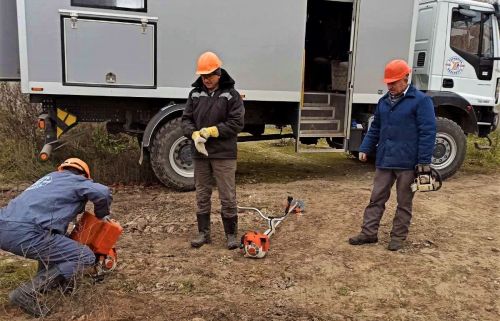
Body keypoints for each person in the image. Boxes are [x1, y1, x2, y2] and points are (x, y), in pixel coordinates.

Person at [0, 158, 112, 317]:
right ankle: (26, 292)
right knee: (85, 257)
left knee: (55, 245)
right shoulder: (76, 180)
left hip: (4, 225)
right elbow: (103, 192)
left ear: (62, 169)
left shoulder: (47, 180)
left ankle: (49, 286)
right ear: (85, 175)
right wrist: (101, 215)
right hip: (27, 231)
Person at [348, 60, 436, 251]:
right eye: (388, 82)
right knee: (376, 198)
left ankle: (398, 237)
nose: (390, 86)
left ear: (406, 78)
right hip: (385, 159)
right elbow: (376, 128)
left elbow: (428, 132)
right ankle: (368, 233)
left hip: (407, 162)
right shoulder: (383, 102)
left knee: (404, 202)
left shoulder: (421, 101)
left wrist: (423, 162)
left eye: (394, 82)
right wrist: (364, 148)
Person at [181, 51, 245, 250]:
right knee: (202, 193)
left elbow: (236, 123)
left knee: (227, 195)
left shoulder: (231, 95)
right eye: (203, 76)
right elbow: (186, 120)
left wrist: (212, 131)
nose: (206, 80)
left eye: (210, 76)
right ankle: (203, 233)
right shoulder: (194, 94)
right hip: (200, 154)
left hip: (224, 153)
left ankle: (231, 235)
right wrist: (193, 134)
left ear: (218, 73)